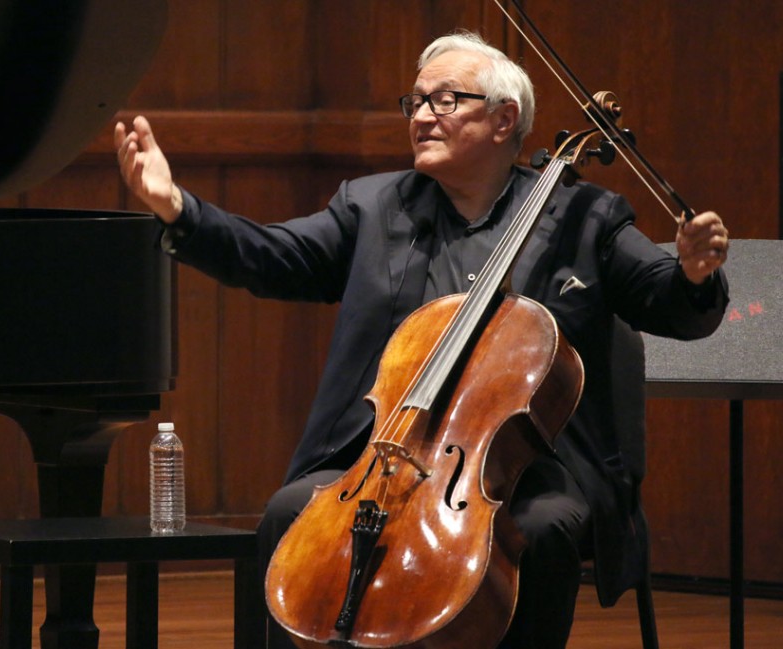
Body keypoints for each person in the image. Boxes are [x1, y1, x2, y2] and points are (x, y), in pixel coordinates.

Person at [115, 30, 729, 649]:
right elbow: (273, 256)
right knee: (289, 511)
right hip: (384, 453)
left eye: (443, 101)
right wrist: (178, 209)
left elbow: (669, 303)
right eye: (415, 103)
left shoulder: (583, 217)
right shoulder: (373, 207)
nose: (422, 117)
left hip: (528, 466)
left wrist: (694, 275)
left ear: (503, 119)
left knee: (541, 530)